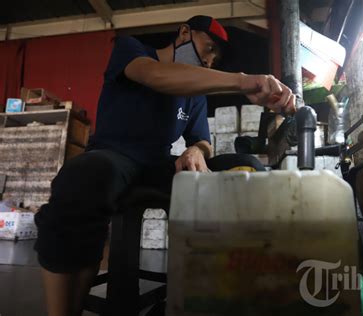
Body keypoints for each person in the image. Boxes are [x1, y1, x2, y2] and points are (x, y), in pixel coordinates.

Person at [34, 15, 296, 316]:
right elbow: (155, 75)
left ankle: (218, 292)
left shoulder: (194, 95)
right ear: (184, 32)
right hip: (113, 154)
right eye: (208, 48)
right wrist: (241, 80)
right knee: (85, 177)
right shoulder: (132, 50)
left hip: (158, 163)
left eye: (214, 57)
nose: (209, 61)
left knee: (244, 166)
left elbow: (203, 140)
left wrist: (196, 150)